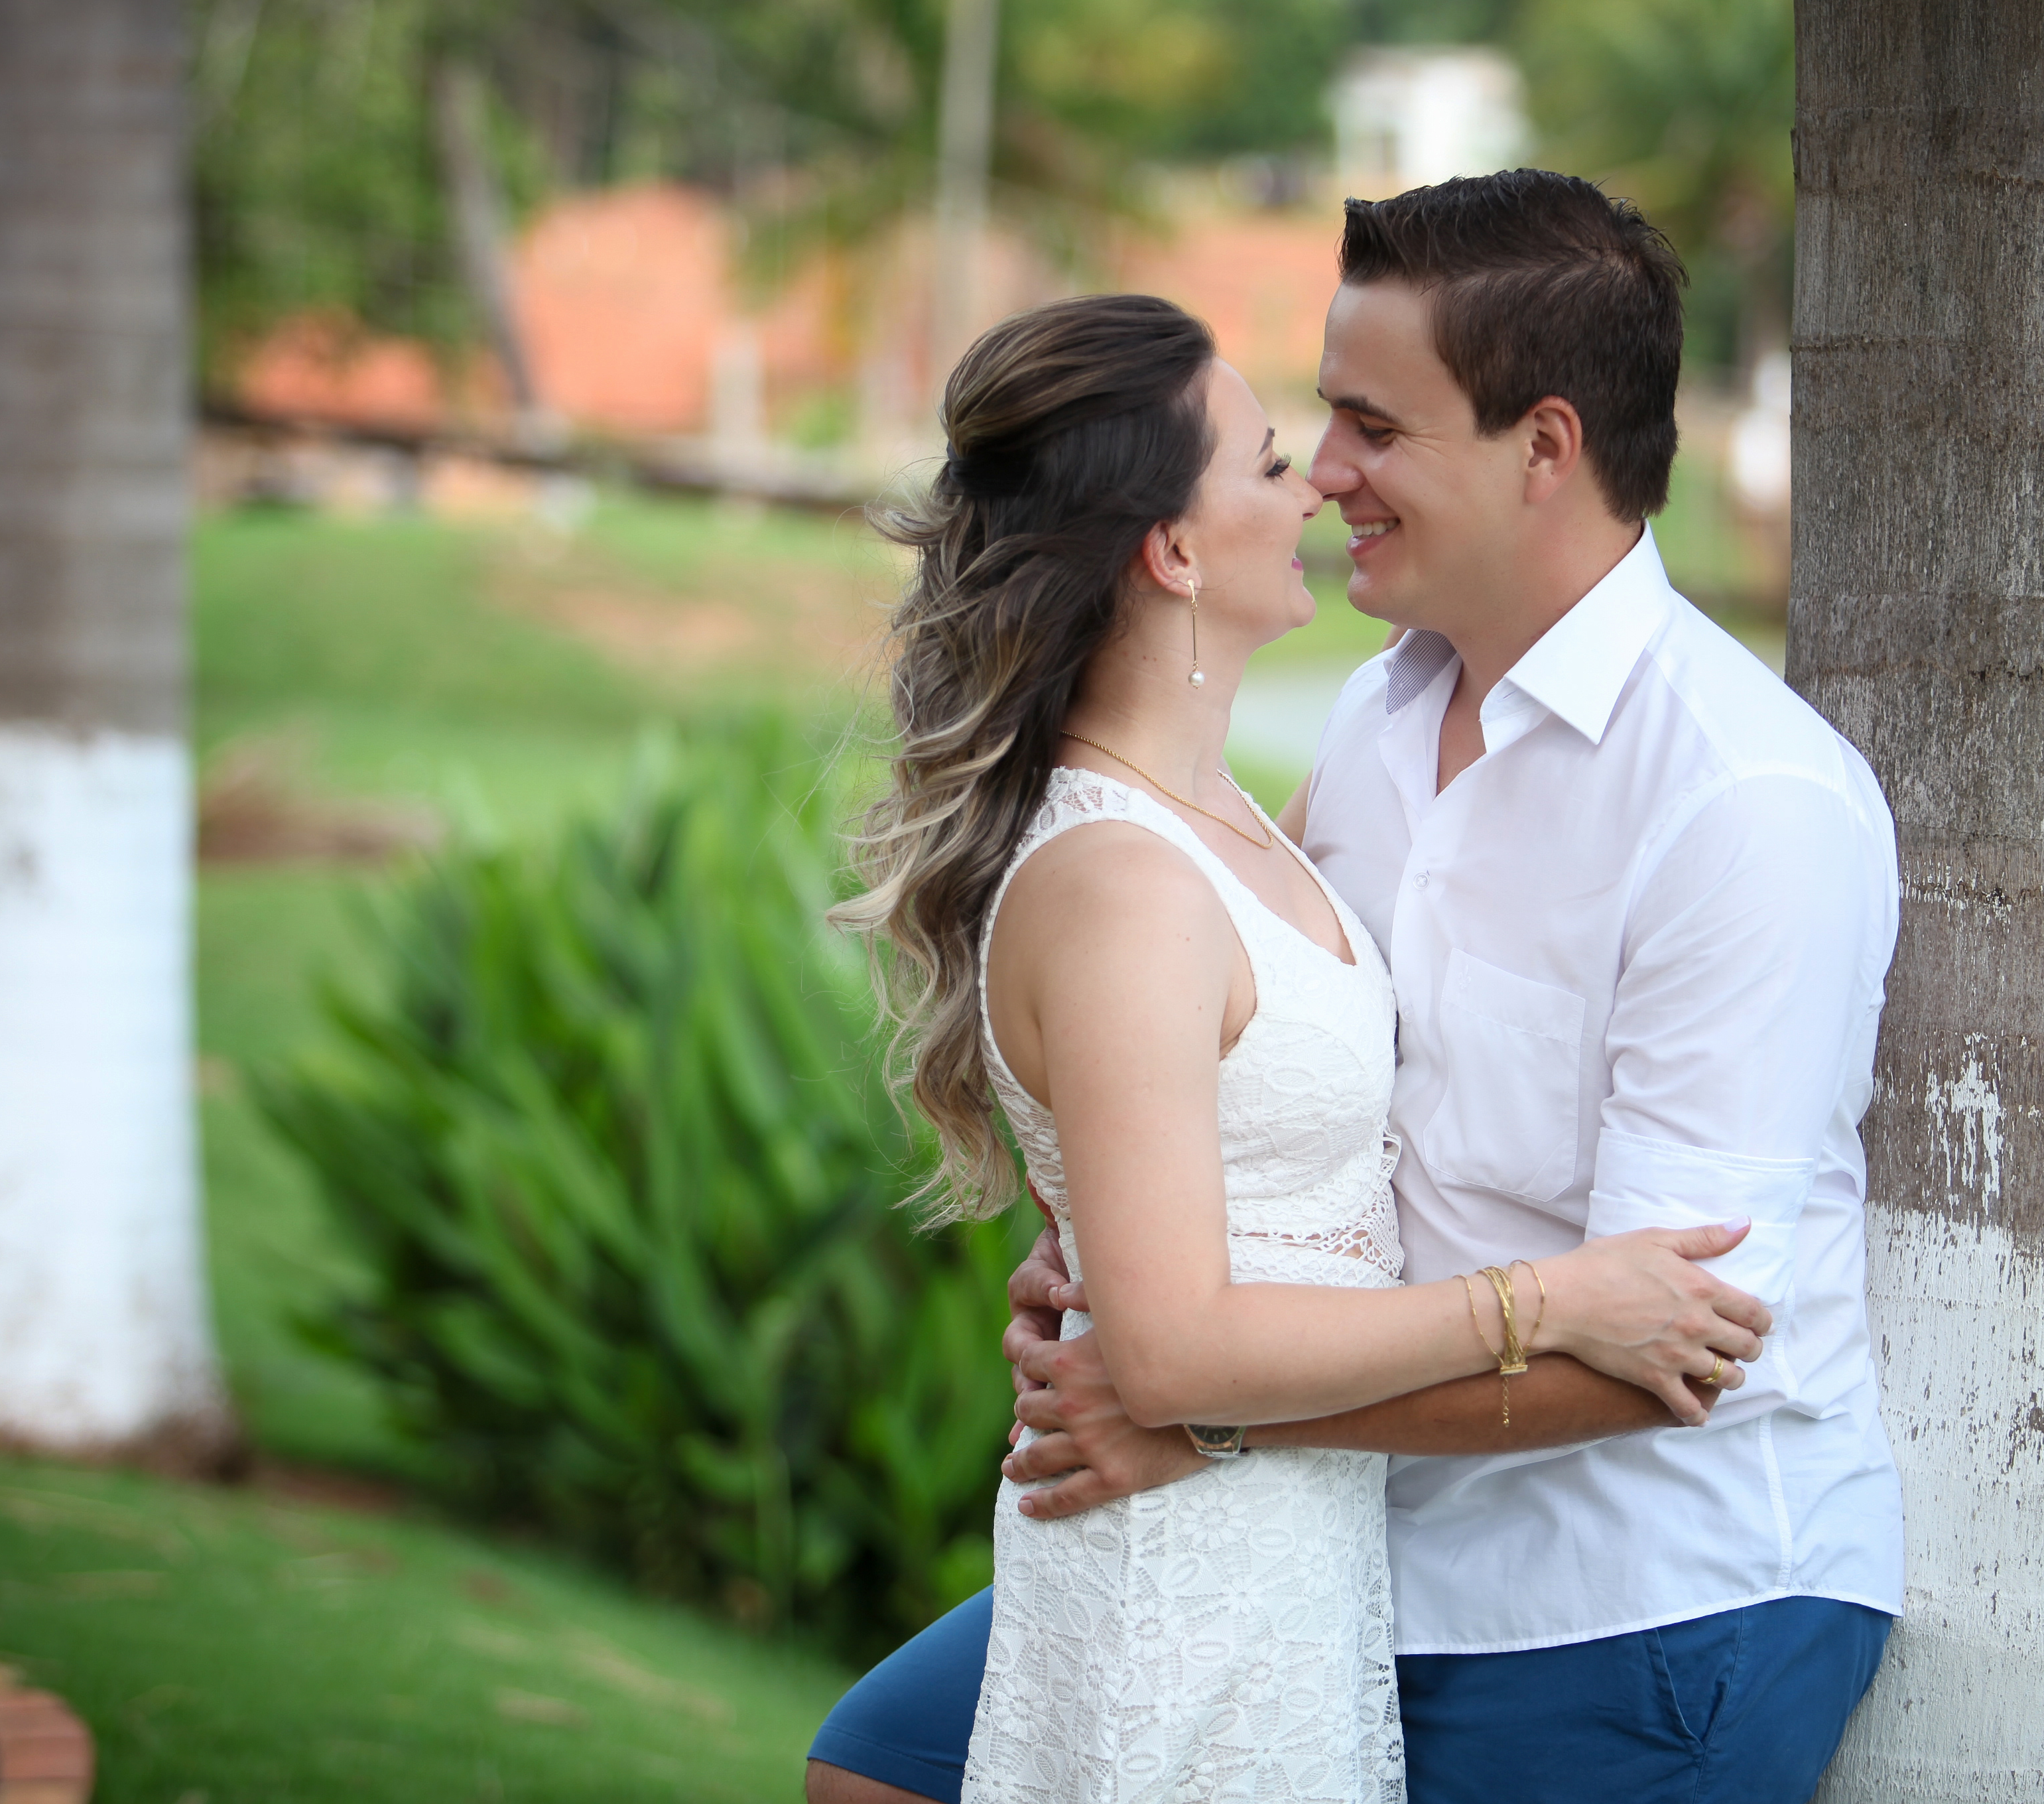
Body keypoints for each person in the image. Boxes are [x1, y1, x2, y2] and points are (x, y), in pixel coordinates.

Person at [814, 171, 1903, 1804]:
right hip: (1351, 1521)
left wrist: (1203, 1410)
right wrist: (1118, 1243)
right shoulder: (1376, 726)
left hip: (1647, 1594)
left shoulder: (1746, 800)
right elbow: (1253, 1073)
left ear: (1545, 447)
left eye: (1372, 429)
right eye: (1309, 429)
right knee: (886, 1764)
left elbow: (1673, 1347)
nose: (1327, 477)